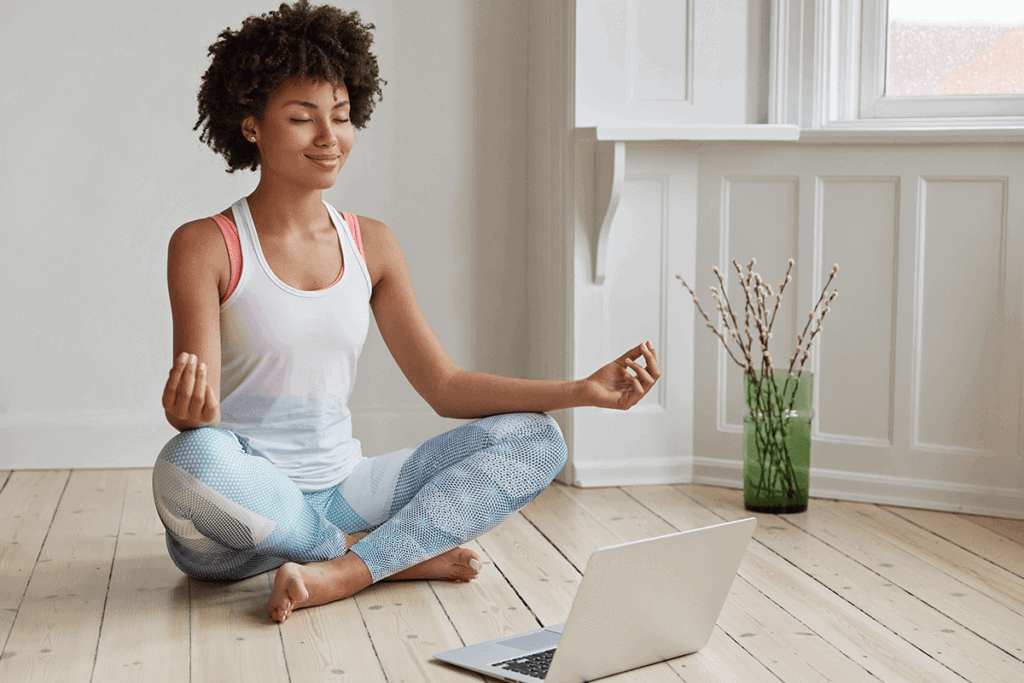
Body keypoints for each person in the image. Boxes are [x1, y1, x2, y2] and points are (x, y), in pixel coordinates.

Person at [153, 0, 660, 624]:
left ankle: (344, 569)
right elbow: (196, 419)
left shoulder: (374, 244)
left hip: (345, 489)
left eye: (340, 117)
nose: (329, 138)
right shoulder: (204, 244)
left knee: (536, 438)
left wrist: (581, 390)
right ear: (251, 125)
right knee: (189, 463)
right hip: (243, 515)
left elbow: (444, 388)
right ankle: (384, 556)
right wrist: (188, 415)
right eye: (302, 118)